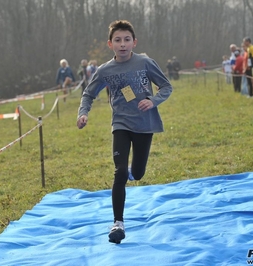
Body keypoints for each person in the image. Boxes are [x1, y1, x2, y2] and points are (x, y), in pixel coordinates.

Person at [76, 20, 172, 244]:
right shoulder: (105, 70)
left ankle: (132, 171)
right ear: (110, 44)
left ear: (134, 42)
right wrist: (83, 113)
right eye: (117, 40)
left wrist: (153, 100)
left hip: (145, 124)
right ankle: (117, 223)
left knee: (137, 173)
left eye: (126, 39)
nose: (122, 44)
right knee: (119, 173)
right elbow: (88, 94)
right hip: (120, 123)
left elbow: (166, 86)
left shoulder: (145, 62)